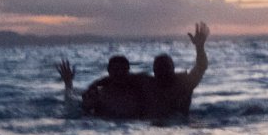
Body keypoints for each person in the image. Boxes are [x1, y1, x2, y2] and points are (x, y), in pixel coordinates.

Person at [55, 21, 209, 120]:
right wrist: (82, 86)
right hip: (150, 125)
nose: (162, 73)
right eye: (158, 70)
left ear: (173, 69)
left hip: (180, 124)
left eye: (165, 69)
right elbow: (117, 78)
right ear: (154, 71)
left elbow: (201, 67)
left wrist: (200, 47)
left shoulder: (184, 84)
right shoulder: (148, 83)